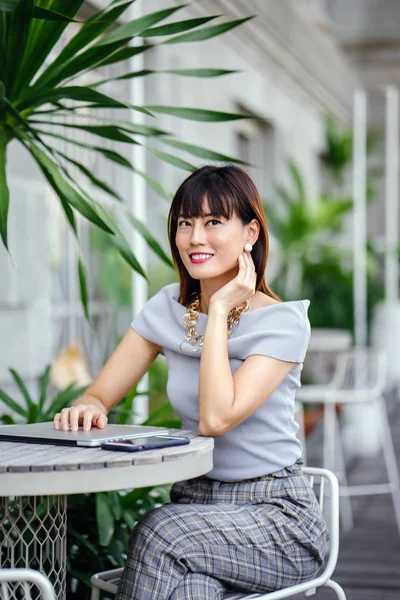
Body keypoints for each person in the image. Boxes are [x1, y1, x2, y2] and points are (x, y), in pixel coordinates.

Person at [54, 165, 327, 599]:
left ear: (250, 233)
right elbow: (100, 392)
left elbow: (216, 418)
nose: (195, 237)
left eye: (213, 222)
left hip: (277, 521)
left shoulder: (282, 322)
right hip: (197, 508)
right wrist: (90, 404)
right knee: (190, 590)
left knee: (161, 532)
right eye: (185, 223)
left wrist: (217, 313)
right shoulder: (166, 308)